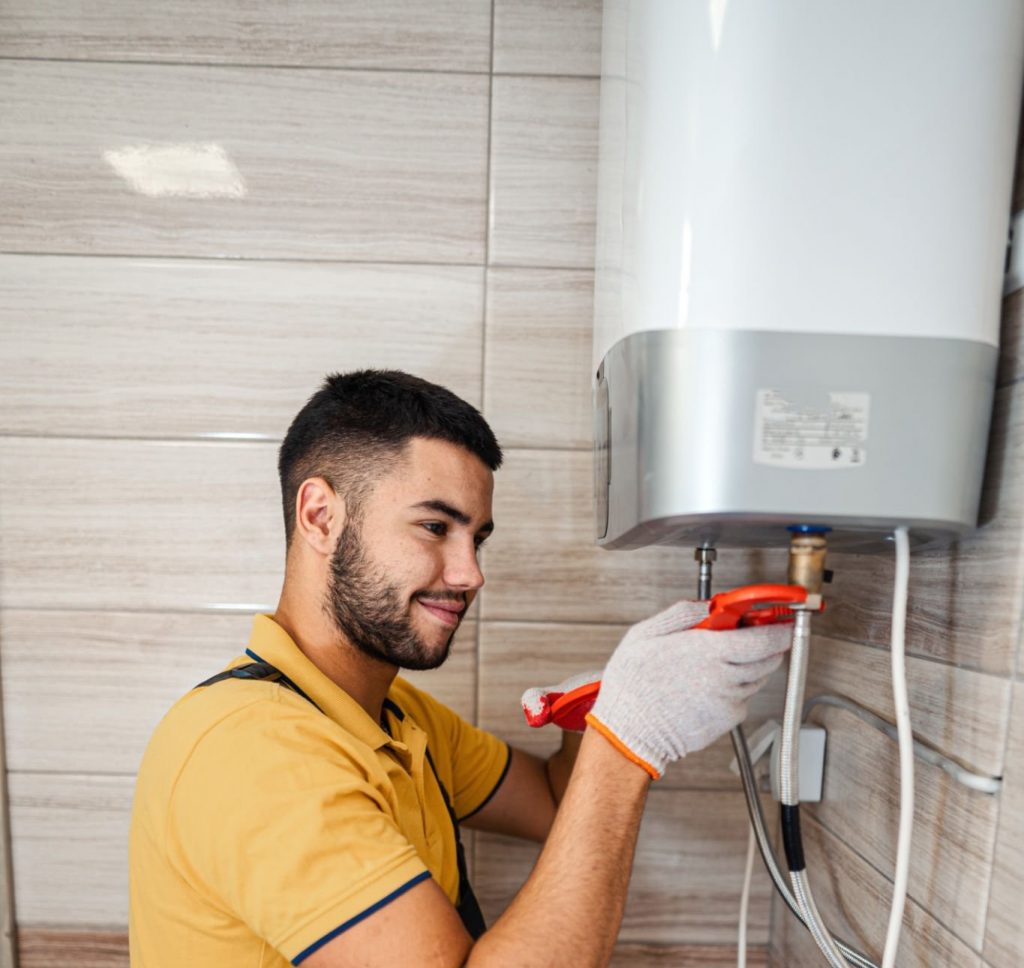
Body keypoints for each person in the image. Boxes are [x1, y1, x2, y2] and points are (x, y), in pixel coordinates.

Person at [128, 369, 790, 967]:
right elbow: (601, 783)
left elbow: (555, 801)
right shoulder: (256, 752)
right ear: (321, 517)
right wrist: (629, 739)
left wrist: (599, 709)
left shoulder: (396, 717)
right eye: (435, 527)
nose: (471, 574)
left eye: (477, 538)